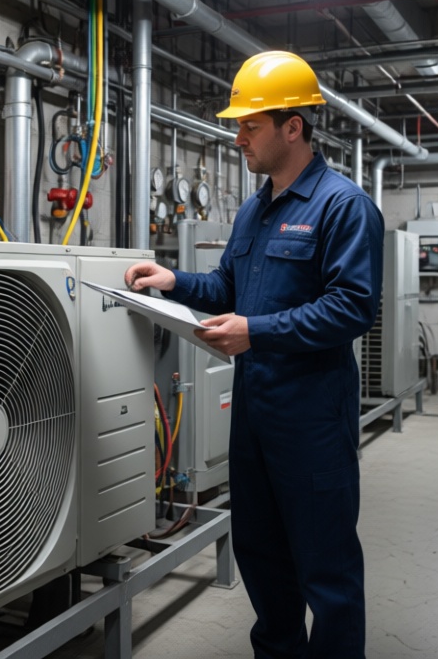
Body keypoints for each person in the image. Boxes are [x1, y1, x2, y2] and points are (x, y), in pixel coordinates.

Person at [125, 50, 383, 658]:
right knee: (264, 565)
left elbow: (353, 308)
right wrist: (175, 281)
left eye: (249, 125)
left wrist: (255, 333)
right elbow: (227, 289)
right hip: (256, 419)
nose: (236, 137)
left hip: (313, 419)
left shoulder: (342, 206)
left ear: (293, 127)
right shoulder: (254, 209)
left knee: (327, 573)